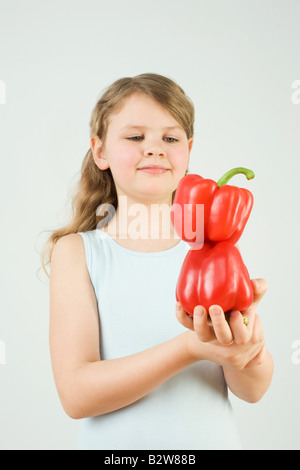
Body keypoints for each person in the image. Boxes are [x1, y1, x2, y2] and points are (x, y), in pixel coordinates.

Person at [42, 73, 273, 450]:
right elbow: (76, 394)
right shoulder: (79, 252)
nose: (155, 148)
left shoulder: (214, 246)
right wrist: (189, 348)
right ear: (100, 151)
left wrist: (245, 350)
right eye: (135, 137)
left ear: (189, 150)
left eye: (170, 138)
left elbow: (253, 390)